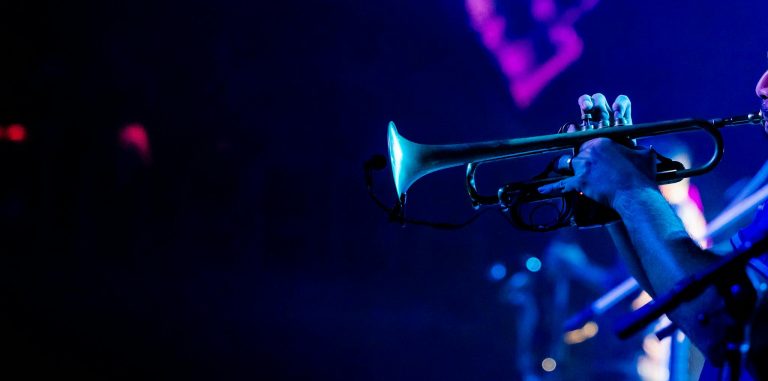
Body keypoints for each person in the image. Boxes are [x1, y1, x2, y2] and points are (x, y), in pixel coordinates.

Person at [537, 71, 768, 379]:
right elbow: (678, 293)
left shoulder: (679, 212)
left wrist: (628, 184)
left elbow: (715, 316)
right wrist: (611, 197)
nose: (761, 85)